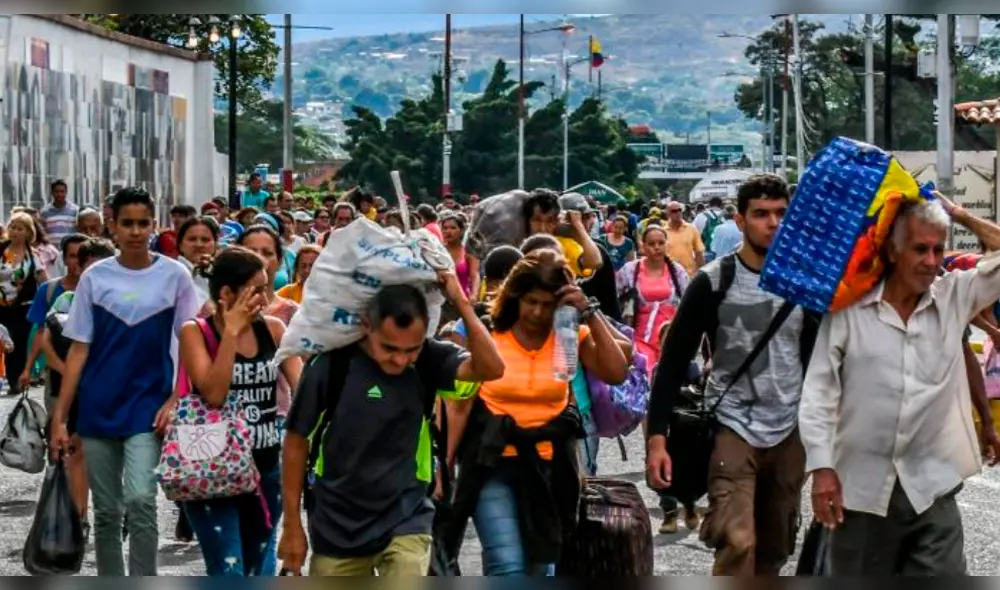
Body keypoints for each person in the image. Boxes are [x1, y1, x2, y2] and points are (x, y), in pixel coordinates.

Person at [800, 194, 1000, 575]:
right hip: (859, 493)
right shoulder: (848, 311)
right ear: (892, 251)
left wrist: (958, 213)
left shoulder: (954, 297)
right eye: (919, 249)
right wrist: (822, 468)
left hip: (932, 489)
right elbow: (818, 394)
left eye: (938, 249)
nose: (930, 261)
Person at [646, 174, 821, 576]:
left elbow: (822, 360)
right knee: (738, 540)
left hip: (790, 429)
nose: (772, 223)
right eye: (761, 214)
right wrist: (657, 439)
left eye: (781, 214)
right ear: (739, 221)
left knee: (775, 548)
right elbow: (672, 364)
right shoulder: (713, 281)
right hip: (731, 426)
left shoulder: (804, 284)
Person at [278, 274, 505, 576]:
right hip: (336, 522)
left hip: (407, 516)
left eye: (410, 350)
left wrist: (462, 303)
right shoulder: (331, 365)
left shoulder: (430, 358)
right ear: (366, 327)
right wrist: (292, 526)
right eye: (389, 348)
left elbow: (492, 368)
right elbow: (295, 442)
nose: (400, 360)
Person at [444, 249, 628, 576]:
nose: (538, 312)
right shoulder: (490, 331)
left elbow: (616, 372)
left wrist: (588, 311)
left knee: (542, 566)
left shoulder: (568, 335)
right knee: (506, 564)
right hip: (492, 463)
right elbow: (459, 405)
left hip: (549, 467)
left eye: (547, 304)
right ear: (515, 295)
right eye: (531, 301)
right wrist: (446, 468)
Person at [49, 187, 200, 576]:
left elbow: (190, 343)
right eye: (127, 223)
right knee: (107, 510)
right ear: (112, 225)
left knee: (141, 499)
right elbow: (79, 349)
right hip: (98, 406)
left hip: (148, 407)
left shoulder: (176, 275)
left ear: (155, 225)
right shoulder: (95, 277)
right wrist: (60, 418)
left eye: (143, 223)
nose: (136, 231)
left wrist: (176, 398)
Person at [178, 246, 303, 576]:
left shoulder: (273, 329)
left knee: (257, 567)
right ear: (226, 293)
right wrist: (231, 333)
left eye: (267, 287)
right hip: (213, 474)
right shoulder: (196, 332)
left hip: (264, 470)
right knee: (227, 571)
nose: (265, 298)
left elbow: (301, 387)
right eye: (257, 289)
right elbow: (214, 394)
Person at [39, 237, 117, 541]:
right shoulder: (66, 301)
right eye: (90, 268)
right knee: (77, 451)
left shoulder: (126, 303)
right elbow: (48, 342)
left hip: (113, 389)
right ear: (80, 268)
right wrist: (71, 373)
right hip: (78, 390)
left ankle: (114, 509)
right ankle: (81, 517)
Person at [21, 234, 89, 393]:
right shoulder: (49, 290)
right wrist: (28, 369)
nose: (78, 261)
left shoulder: (101, 291)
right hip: (56, 371)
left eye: (83, 256)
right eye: (73, 256)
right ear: (64, 260)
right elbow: (40, 332)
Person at [0, 212, 47, 396]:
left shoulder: (32, 255)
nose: (14, 231)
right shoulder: (2, 250)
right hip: (1, 304)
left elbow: (43, 278)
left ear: (28, 232)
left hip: (23, 306)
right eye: (12, 227)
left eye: (19, 228)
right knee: (3, 341)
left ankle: (15, 380)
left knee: (18, 342)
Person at [440, 211, 479, 301]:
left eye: (453, 228)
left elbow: (475, 275)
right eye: (445, 228)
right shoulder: (437, 251)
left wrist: (474, 294)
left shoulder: (468, 251)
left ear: (461, 231)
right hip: (440, 302)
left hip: (463, 300)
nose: (448, 231)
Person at [663, 201, 706, 276]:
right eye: (674, 211)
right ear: (668, 214)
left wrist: (701, 274)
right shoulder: (662, 232)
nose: (678, 213)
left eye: (680, 210)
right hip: (670, 276)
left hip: (690, 274)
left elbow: (699, 253)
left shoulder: (692, 229)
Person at [39, 179, 80, 246]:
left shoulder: (75, 210)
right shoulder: (44, 212)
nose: (59, 194)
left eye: (62, 191)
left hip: (69, 249)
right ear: (52, 193)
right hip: (51, 251)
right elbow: (42, 232)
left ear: (66, 192)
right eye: (56, 192)